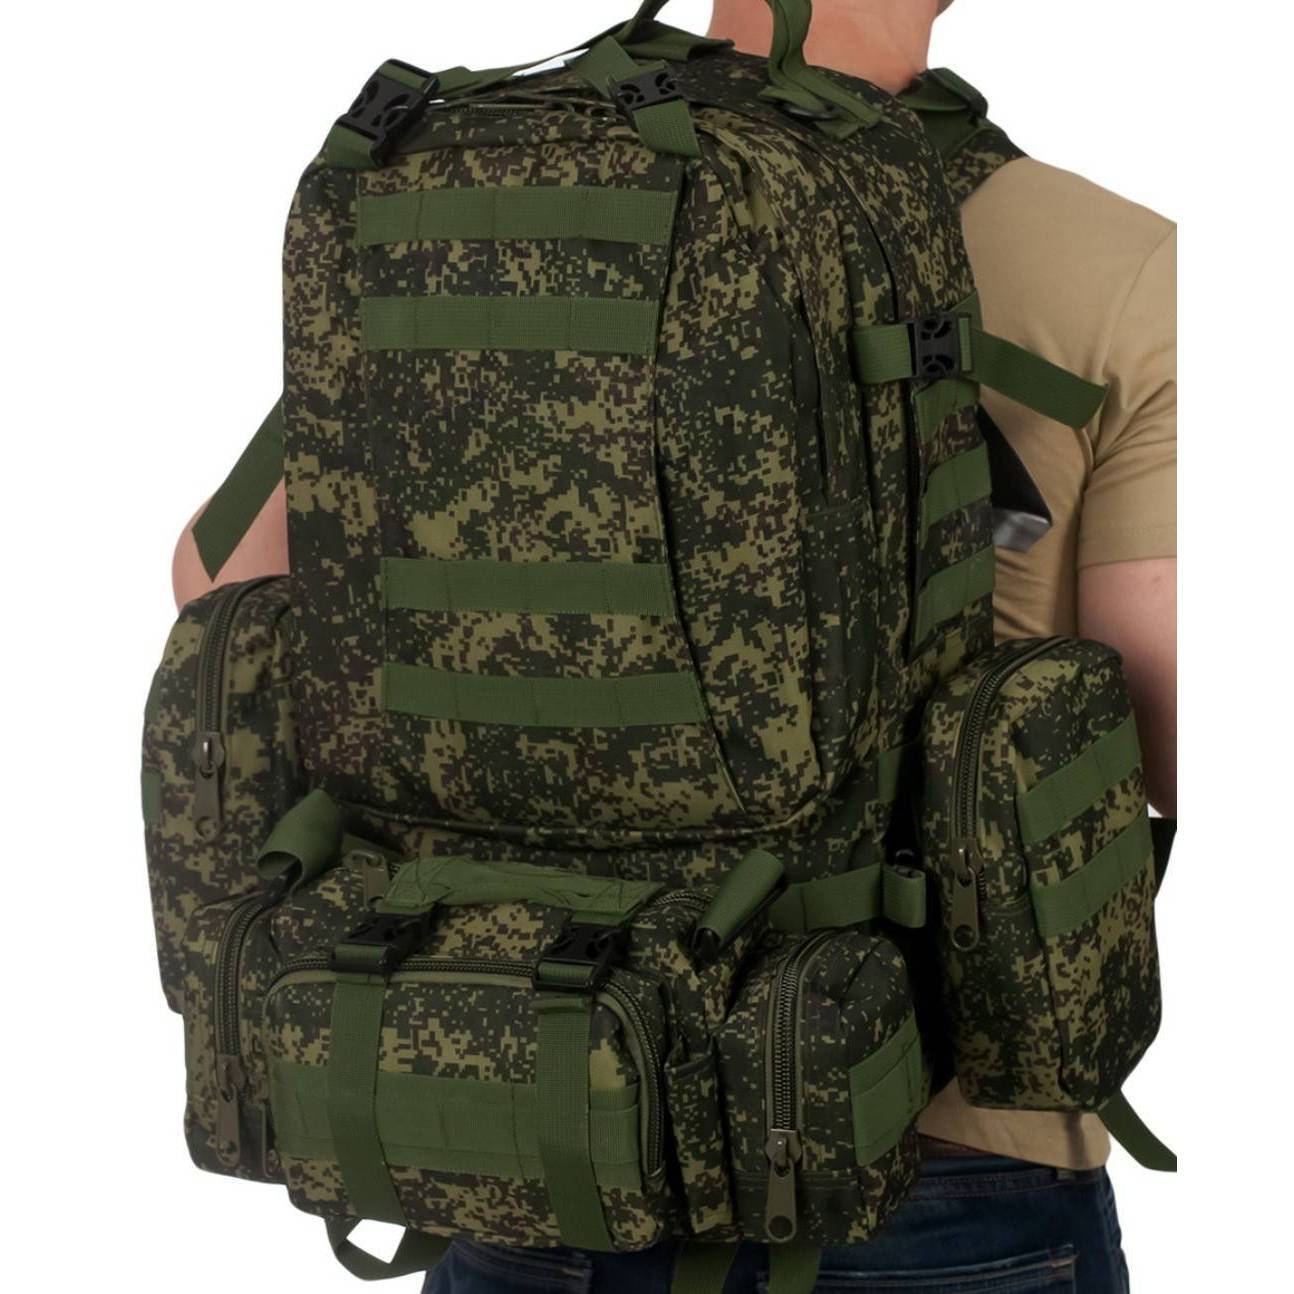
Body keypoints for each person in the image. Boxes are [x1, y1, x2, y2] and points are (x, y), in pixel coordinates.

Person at [172, 3, 1175, 1288]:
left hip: (523, 1089)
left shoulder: (490, 188)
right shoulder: (1118, 263)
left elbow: (218, 580)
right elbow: (1172, 738)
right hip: (907, 1138)